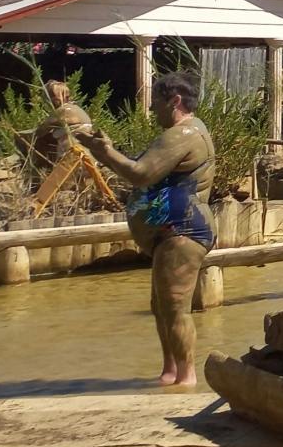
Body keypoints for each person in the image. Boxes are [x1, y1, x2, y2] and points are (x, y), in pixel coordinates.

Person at [76, 73, 215, 386]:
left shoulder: (183, 133)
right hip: (171, 232)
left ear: (175, 101)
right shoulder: (182, 132)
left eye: (155, 102)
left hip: (183, 230)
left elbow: (141, 173)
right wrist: (105, 149)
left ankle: (186, 379)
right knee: (161, 306)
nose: (151, 109)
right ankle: (170, 372)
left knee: (176, 307)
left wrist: (104, 153)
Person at [34, 80, 92, 166]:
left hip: (71, 155)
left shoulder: (62, 110)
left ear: (55, 98)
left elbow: (40, 131)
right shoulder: (78, 109)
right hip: (87, 155)